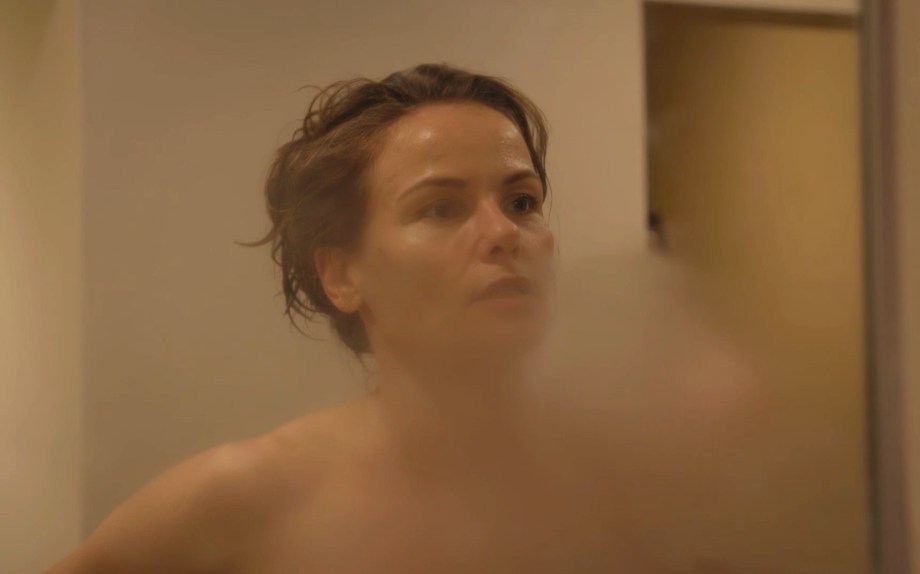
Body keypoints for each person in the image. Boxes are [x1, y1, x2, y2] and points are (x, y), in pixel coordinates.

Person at [45, 63, 649, 574]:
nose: (503, 232)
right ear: (341, 274)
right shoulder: (250, 496)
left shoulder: (630, 477)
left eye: (521, 201)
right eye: (439, 208)